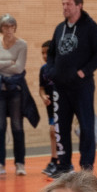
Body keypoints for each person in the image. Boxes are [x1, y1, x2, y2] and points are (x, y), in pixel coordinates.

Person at [46, 0, 97, 175]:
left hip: (82, 87)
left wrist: (83, 72)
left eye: (69, 4)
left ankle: (87, 167)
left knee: (86, 127)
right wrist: (51, 71)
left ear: (79, 5)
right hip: (60, 86)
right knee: (61, 127)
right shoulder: (59, 28)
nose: (65, 7)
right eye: (63, 4)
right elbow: (51, 53)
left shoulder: (90, 27)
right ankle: (64, 165)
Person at [0, 14, 28, 176]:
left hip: (15, 89)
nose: (9, 30)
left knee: (17, 126)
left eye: (11, 26)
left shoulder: (22, 45)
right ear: (1, 28)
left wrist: (0, 66)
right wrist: (8, 63)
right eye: (5, 27)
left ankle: (20, 163)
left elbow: (19, 68)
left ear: (15, 28)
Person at [39, 40, 59, 177]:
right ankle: (54, 160)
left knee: (55, 131)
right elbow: (41, 88)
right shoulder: (43, 69)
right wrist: (43, 96)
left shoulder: (60, 67)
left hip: (62, 105)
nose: (45, 55)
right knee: (53, 132)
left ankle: (60, 160)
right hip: (51, 107)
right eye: (42, 53)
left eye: (47, 52)